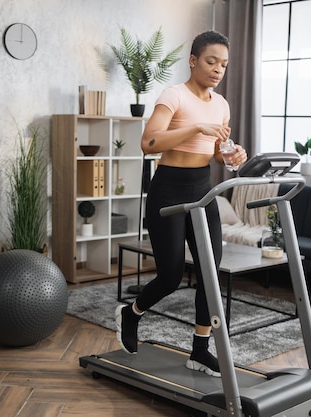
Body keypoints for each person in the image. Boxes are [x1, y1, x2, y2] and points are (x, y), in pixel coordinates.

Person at [115, 30, 247, 377]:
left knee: (209, 273)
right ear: (193, 61)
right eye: (211, 61)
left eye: (224, 64)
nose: (218, 69)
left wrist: (231, 154)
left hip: (203, 191)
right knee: (171, 276)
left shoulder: (221, 104)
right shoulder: (173, 96)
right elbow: (149, 142)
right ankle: (132, 312)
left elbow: (216, 155)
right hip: (169, 190)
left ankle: (199, 350)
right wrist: (196, 128)